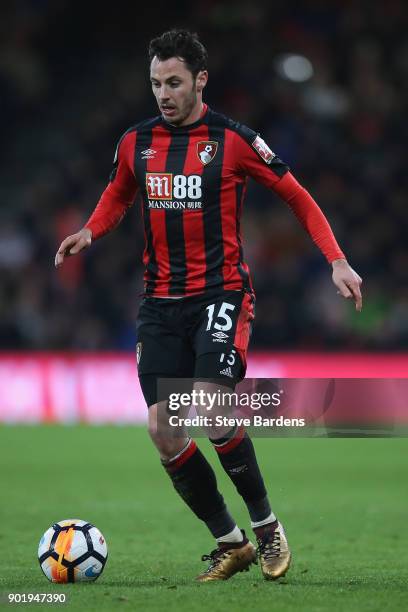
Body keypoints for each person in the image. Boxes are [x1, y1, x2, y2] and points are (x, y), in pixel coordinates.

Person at [55, 29, 363, 582]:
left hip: (220, 295)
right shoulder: (136, 142)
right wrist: (90, 231)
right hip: (160, 303)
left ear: (200, 80)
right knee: (163, 428)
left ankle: (267, 528)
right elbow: (120, 191)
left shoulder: (236, 141)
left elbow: (297, 195)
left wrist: (336, 259)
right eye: (155, 83)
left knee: (207, 406)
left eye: (173, 82)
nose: (163, 94)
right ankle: (231, 541)